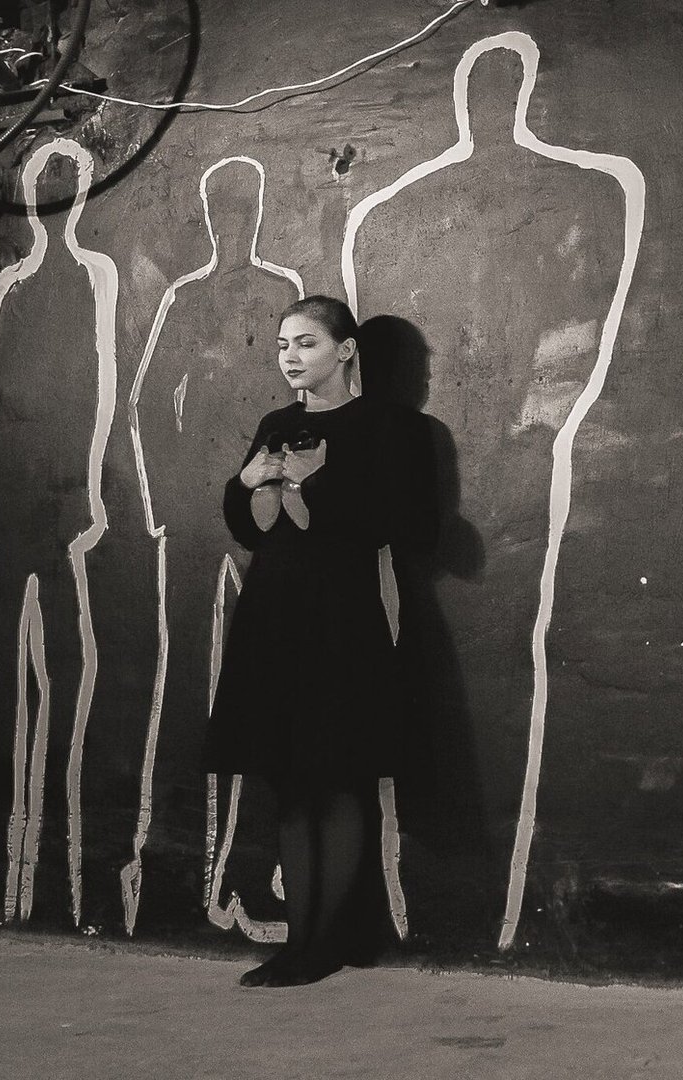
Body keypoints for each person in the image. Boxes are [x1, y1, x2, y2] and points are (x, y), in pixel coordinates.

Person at [203, 295, 436, 987]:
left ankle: (323, 942)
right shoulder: (277, 425)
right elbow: (252, 530)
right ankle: (304, 939)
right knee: (289, 778)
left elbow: (402, 524)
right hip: (272, 614)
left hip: (340, 618)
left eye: (306, 343)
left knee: (336, 776)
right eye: (282, 345)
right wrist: (245, 483)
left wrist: (313, 487)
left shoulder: (389, 426)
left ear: (345, 350)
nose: (290, 357)